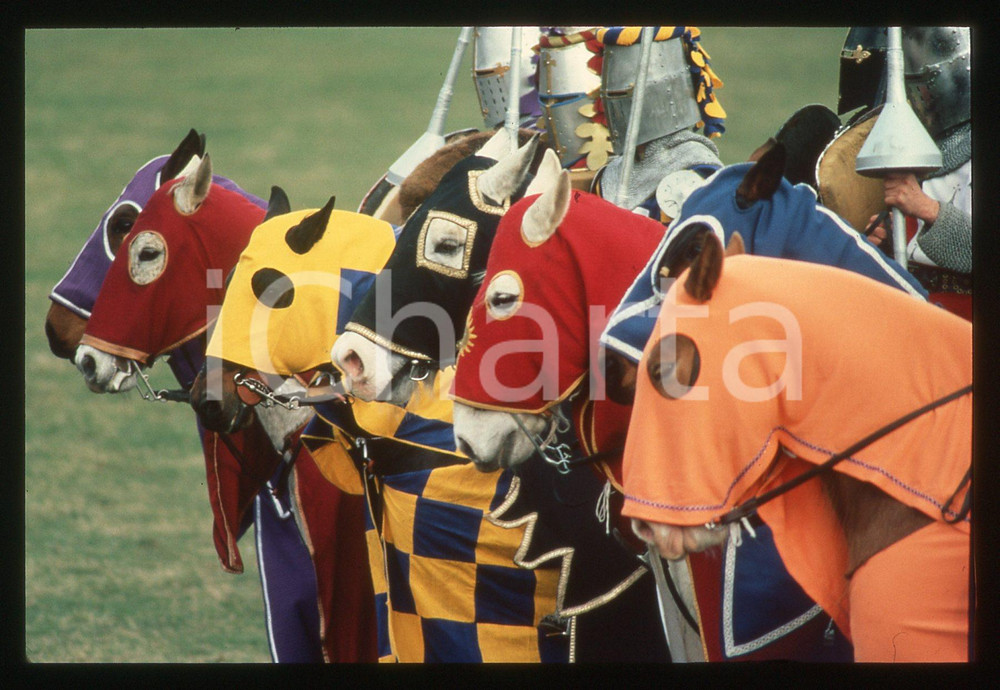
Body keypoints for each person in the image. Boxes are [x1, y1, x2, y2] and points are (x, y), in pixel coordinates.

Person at [864, 27, 971, 320]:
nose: (921, 97)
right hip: (918, 310)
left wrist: (927, 209)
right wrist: (889, 241)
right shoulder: (918, 146)